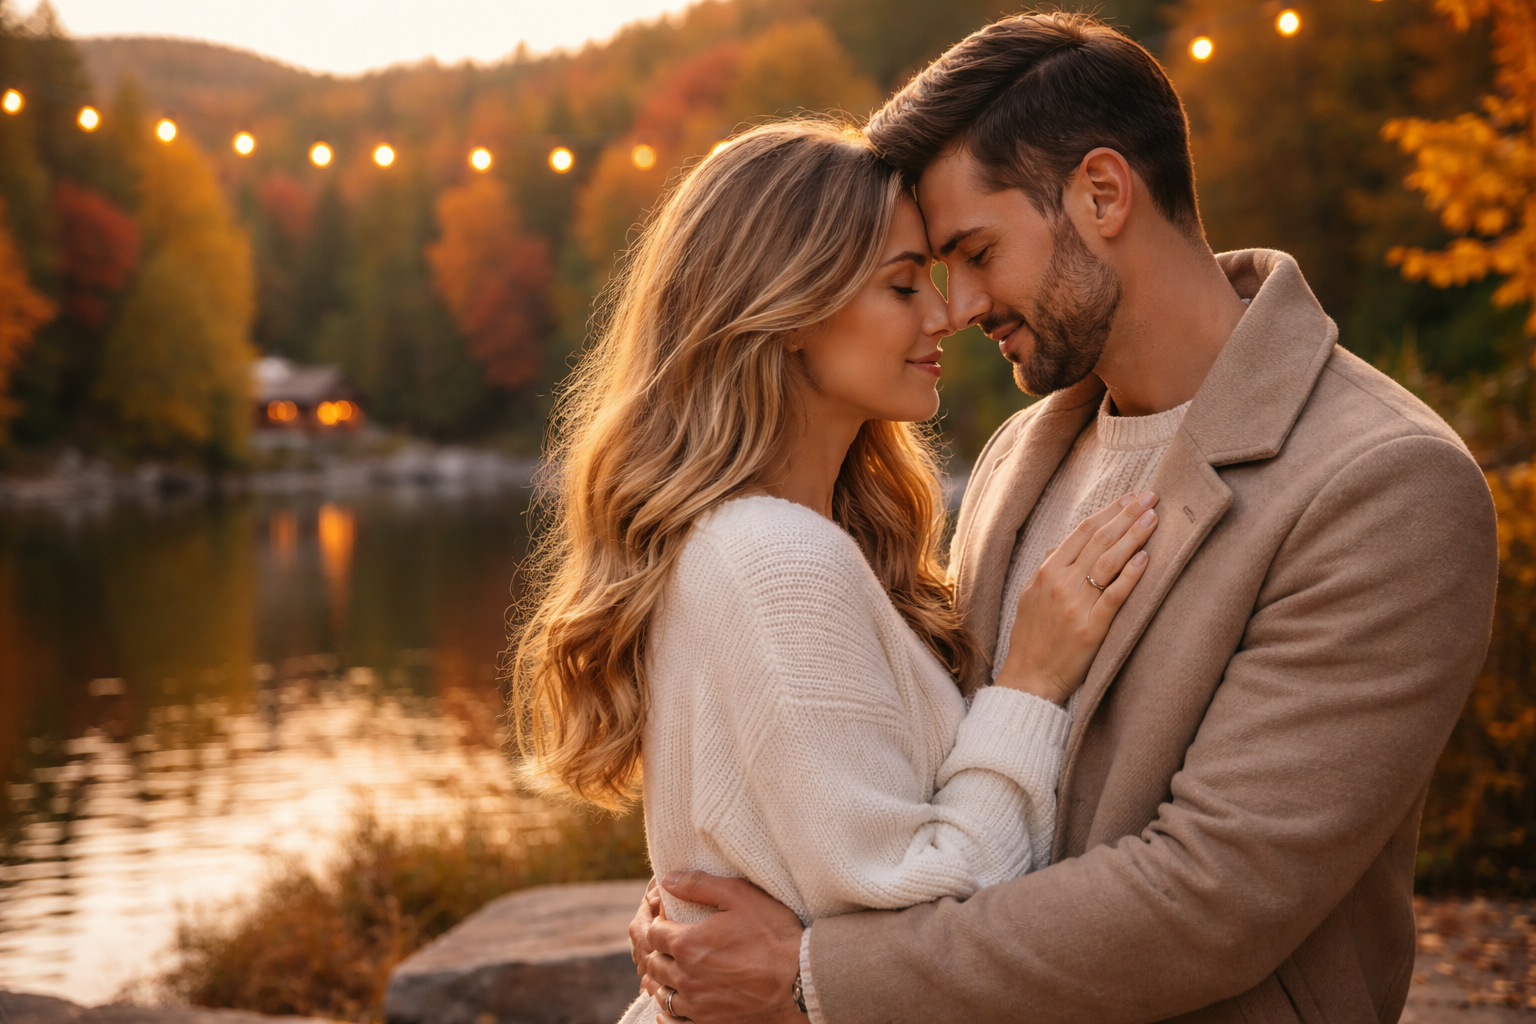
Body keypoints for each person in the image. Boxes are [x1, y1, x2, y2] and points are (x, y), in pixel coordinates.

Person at [631, 12, 1499, 1024]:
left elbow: (1209, 897)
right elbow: (930, 780)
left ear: (1102, 193)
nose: (958, 308)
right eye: (924, 273)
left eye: (975, 252)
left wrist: (810, 975)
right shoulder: (1021, 457)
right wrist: (714, 893)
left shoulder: (1384, 483)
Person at [507, 118, 1164, 1024]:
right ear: (787, 313)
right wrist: (1031, 685)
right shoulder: (776, 559)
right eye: (903, 285)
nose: (944, 315)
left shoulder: (762, 539)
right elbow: (939, 907)